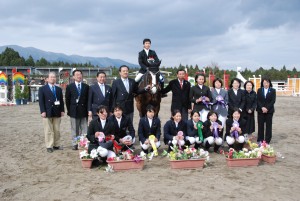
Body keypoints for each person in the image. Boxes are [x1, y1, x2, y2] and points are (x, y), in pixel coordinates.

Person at [38, 72, 64, 153]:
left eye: (54, 77)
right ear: (47, 79)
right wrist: (42, 111)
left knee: (57, 130)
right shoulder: (42, 89)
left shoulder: (58, 89)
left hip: (57, 111)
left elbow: (61, 101)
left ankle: (56, 144)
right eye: (51, 77)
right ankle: (49, 145)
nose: (53, 78)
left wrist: (62, 110)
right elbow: (41, 102)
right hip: (47, 111)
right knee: (48, 130)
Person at [65, 70, 89, 150]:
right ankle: (75, 144)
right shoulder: (69, 87)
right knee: (75, 129)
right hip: (74, 111)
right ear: (73, 77)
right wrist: (70, 110)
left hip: (83, 111)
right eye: (77, 75)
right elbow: (67, 100)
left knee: (84, 129)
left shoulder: (86, 86)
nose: (79, 76)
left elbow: (88, 100)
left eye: (80, 74)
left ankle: (83, 143)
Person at [256, 78, 276, 144]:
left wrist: (267, 108)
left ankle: (267, 140)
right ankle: (260, 140)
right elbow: (258, 100)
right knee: (260, 125)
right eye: (264, 83)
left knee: (268, 126)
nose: (266, 84)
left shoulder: (273, 90)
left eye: (267, 83)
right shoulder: (259, 90)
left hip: (269, 111)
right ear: (262, 83)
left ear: (269, 83)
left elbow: (273, 101)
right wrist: (262, 107)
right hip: (260, 110)